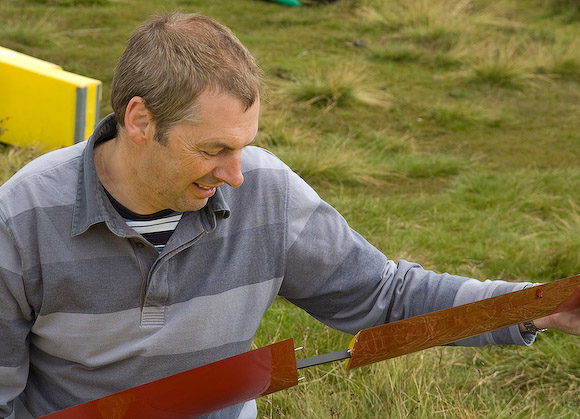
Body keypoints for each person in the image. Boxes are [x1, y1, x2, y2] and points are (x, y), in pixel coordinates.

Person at [0, 12, 579, 419]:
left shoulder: (268, 191)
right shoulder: (22, 217)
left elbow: (385, 296)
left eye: (244, 146)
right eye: (212, 150)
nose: (236, 176)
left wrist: (540, 304)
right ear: (141, 120)